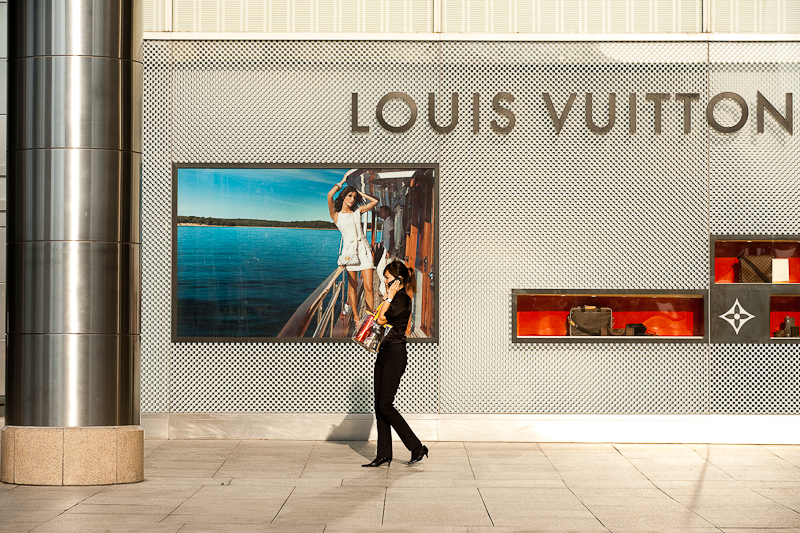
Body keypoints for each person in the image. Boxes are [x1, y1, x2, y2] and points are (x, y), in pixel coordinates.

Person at [362, 261, 428, 467]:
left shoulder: (402, 300)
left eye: (388, 278)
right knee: (379, 406)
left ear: (398, 280)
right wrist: (386, 299)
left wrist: (388, 298)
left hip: (396, 356)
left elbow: (381, 320)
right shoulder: (390, 299)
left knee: (385, 404)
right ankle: (384, 454)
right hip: (383, 353)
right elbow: (377, 316)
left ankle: (416, 446)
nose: (384, 280)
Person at [328, 178, 379, 323]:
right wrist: (341, 182)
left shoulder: (358, 211)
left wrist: (360, 193)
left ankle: (369, 318)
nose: (352, 199)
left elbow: (375, 201)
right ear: (343, 196)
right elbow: (329, 196)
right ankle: (356, 317)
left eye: (354, 197)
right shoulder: (336, 215)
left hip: (364, 250)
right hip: (350, 253)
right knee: (353, 287)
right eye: (349, 196)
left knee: (369, 287)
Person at [376, 206, 396, 295]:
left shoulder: (389, 221)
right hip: (387, 248)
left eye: (382, 211)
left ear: (387, 212)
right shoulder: (386, 221)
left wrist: (389, 250)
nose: (380, 213)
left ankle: (387, 290)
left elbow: (392, 235)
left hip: (389, 249)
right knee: (384, 270)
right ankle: (384, 291)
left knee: (381, 269)